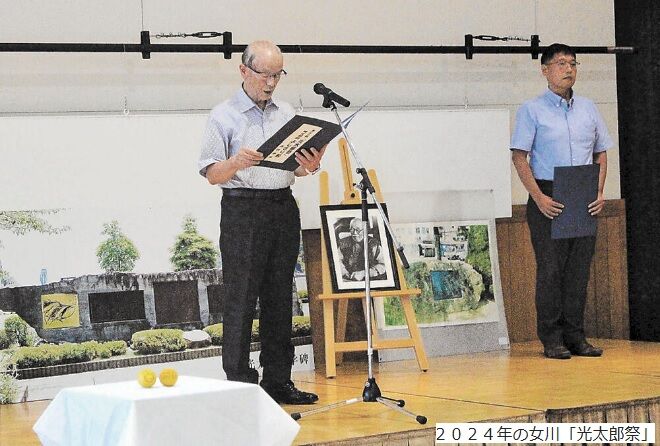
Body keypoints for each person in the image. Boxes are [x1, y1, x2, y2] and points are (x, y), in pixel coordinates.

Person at [198, 40, 324, 404]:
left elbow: (296, 169)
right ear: (243, 70)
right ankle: (240, 383)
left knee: (280, 298)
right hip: (242, 210)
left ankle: (278, 381)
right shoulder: (223, 115)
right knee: (240, 298)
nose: (270, 83)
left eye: (277, 75)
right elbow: (212, 174)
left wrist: (310, 165)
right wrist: (236, 162)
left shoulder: (288, 112)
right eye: (264, 74)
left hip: (282, 206)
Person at [510, 43, 612, 360]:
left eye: (572, 63)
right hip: (547, 191)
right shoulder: (532, 109)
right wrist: (538, 197)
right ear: (545, 70)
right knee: (551, 271)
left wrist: (598, 191)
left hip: (582, 191)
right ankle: (552, 338)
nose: (568, 69)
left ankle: (576, 337)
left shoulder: (588, 107)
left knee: (578, 272)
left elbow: (601, 152)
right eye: (560, 63)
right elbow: (519, 157)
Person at [337, 217, 387, 282]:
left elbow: (384, 265)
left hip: (370, 280)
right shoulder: (343, 243)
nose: (354, 233)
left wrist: (364, 273)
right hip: (348, 279)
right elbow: (337, 260)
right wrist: (344, 272)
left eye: (357, 230)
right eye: (352, 229)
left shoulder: (374, 244)